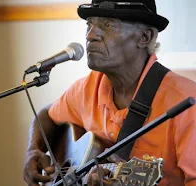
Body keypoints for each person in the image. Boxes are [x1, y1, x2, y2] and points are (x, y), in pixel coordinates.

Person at [23, 0, 196, 186]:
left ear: (144, 37)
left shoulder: (185, 103)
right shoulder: (89, 87)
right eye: (89, 25)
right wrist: (33, 149)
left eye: (108, 25)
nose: (90, 36)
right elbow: (47, 116)